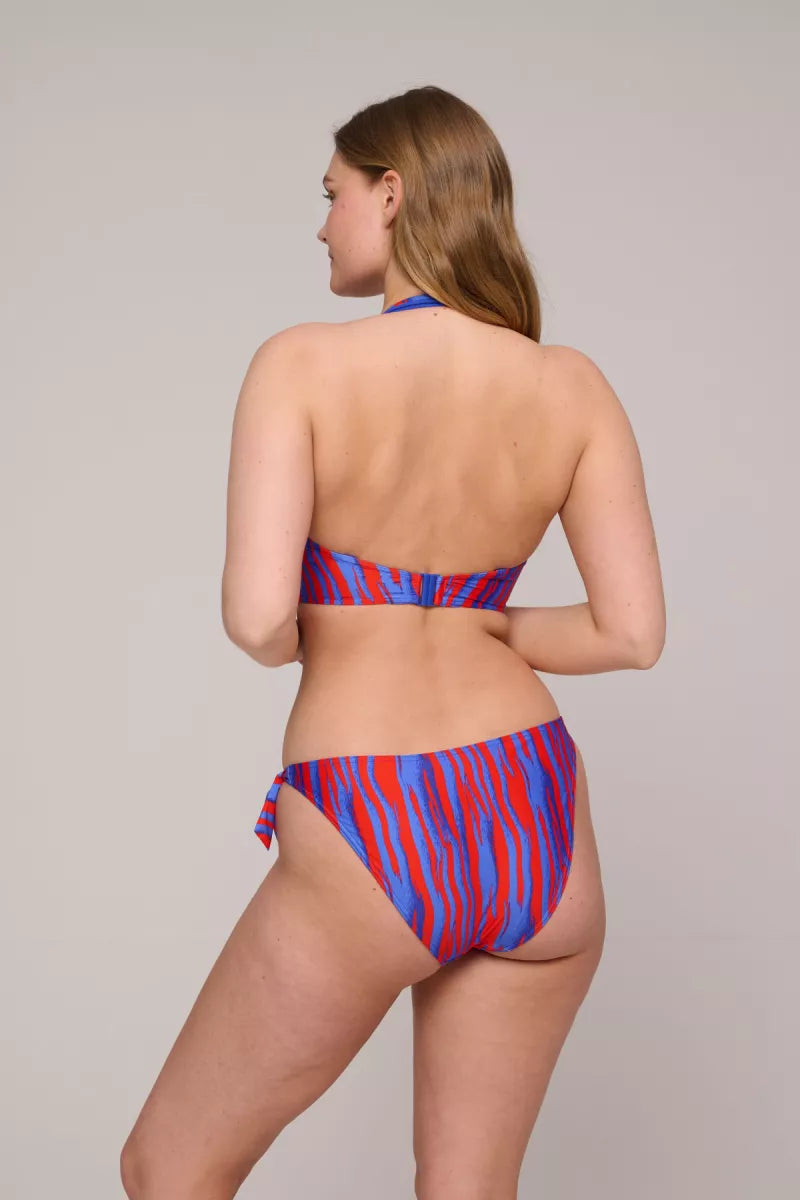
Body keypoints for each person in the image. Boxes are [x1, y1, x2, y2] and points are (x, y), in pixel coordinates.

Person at [121, 84, 666, 1200]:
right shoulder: (571, 386)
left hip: (372, 811)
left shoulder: (301, 365)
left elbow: (256, 617)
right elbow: (632, 632)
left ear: (391, 191)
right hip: (534, 812)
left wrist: (320, 634)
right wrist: (495, 623)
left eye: (331, 195)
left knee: (168, 1170)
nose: (321, 225)